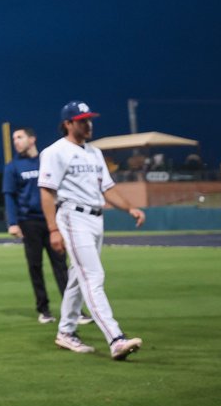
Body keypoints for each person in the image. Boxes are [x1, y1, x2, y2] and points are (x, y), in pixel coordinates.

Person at [39, 101, 146, 360]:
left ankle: (66, 332)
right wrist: (53, 229)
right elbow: (47, 192)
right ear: (68, 123)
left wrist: (130, 208)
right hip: (73, 216)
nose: (88, 124)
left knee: (79, 277)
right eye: (82, 120)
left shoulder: (95, 153)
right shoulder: (55, 152)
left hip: (96, 218)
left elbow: (107, 189)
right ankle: (115, 338)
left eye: (89, 119)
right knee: (93, 276)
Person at [3, 126, 71, 324]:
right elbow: (9, 196)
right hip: (29, 221)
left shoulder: (46, 161)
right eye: (14, 138)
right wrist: (13, 222)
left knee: (61, 265)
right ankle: (44, 309)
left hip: (52, 220)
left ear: (32, 139)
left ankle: (72, 309)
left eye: (20, 137)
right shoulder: (13, 166)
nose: (16, 141)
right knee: (35, 266)